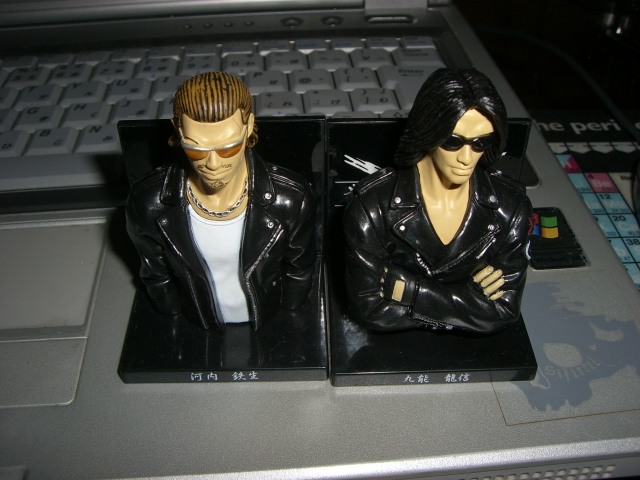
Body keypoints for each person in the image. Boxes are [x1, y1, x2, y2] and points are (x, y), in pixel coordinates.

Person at [343, 68, 532, 333]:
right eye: (453, 142)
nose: (466, 158)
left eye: (480, 142)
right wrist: (469, 300)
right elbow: (372, 311)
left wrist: (413, 291)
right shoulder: (372, 207)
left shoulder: (510, 207)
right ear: (428, 132)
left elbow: (503, 311)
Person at [126, 72, 316, 331]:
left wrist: (291, 308)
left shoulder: (291, 198)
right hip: (195, 318)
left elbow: (299, 267)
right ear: (178, 130)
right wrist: (170, 311)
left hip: (268, 314)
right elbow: (155, 271)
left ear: (249, 126)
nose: (212, 164)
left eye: (228, 148)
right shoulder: (148, 201)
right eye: (195, 149)